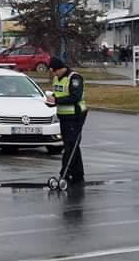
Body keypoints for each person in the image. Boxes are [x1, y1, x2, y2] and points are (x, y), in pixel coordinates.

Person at [44, 56, 86, 185]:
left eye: (54, 71)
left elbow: (75, 97)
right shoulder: (57, 78)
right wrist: (51, 100)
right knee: (72, 145)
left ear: (60, 68)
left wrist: (57, 100)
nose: (54, 74)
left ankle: (65, 174)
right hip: (63, 116)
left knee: (70, 146)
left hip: (75, 116)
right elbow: (59, 93)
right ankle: (78, 174)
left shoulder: (74, 78)